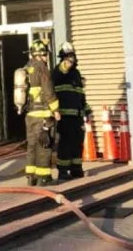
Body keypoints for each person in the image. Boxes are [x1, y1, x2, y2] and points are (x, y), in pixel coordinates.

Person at [52, 42, 91, 180]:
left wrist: (87, 110)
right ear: (62, 57)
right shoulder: (59, 71)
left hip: (77, 115)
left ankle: (76, 168)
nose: (71, 59)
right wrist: (66, 62)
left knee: (77, 142)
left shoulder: (76, 73)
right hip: (65, 116)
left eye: (72, 55)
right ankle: (63, 171)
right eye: (68, 56)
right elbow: (64, 68)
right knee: (65, 144)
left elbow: (81, 94)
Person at [23, 39, 60, 186]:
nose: (46, 58)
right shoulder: (42, 68)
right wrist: (55, 110)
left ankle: (31, 176)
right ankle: (44, 177)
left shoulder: (27, 68)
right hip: (43, 114)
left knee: (32, 145)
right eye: (45, 55)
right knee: (44, 145)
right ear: (41, 55)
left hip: (30, 115)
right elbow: (48, 90)